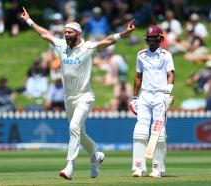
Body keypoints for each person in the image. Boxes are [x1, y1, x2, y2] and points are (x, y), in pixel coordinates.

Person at [20, 7, 135, 180]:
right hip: (69, 98)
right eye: (65, 32)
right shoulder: (61, 46)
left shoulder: (88, 47)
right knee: (79, 133)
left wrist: (122, 34)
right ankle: (96, 155)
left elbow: (107, 41)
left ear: (78, 34)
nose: (66, 35)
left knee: (73, 127)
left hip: (85, 96)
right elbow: (45, 35)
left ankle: (69, 166)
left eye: (69, 32)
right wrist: (29, 20)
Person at [130, 25, 175, 177]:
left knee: (158, 132)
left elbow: (170, 74)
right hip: (145, 95)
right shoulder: (141, 55)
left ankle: (158, 168)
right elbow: (138, 77)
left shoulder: (166, 55)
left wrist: (168, 92)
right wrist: (135, 98)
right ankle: (139, 167)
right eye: (149, 39)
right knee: (140, 130)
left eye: (153, 39)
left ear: (159, 39)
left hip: (160, 95)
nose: (151, 42)